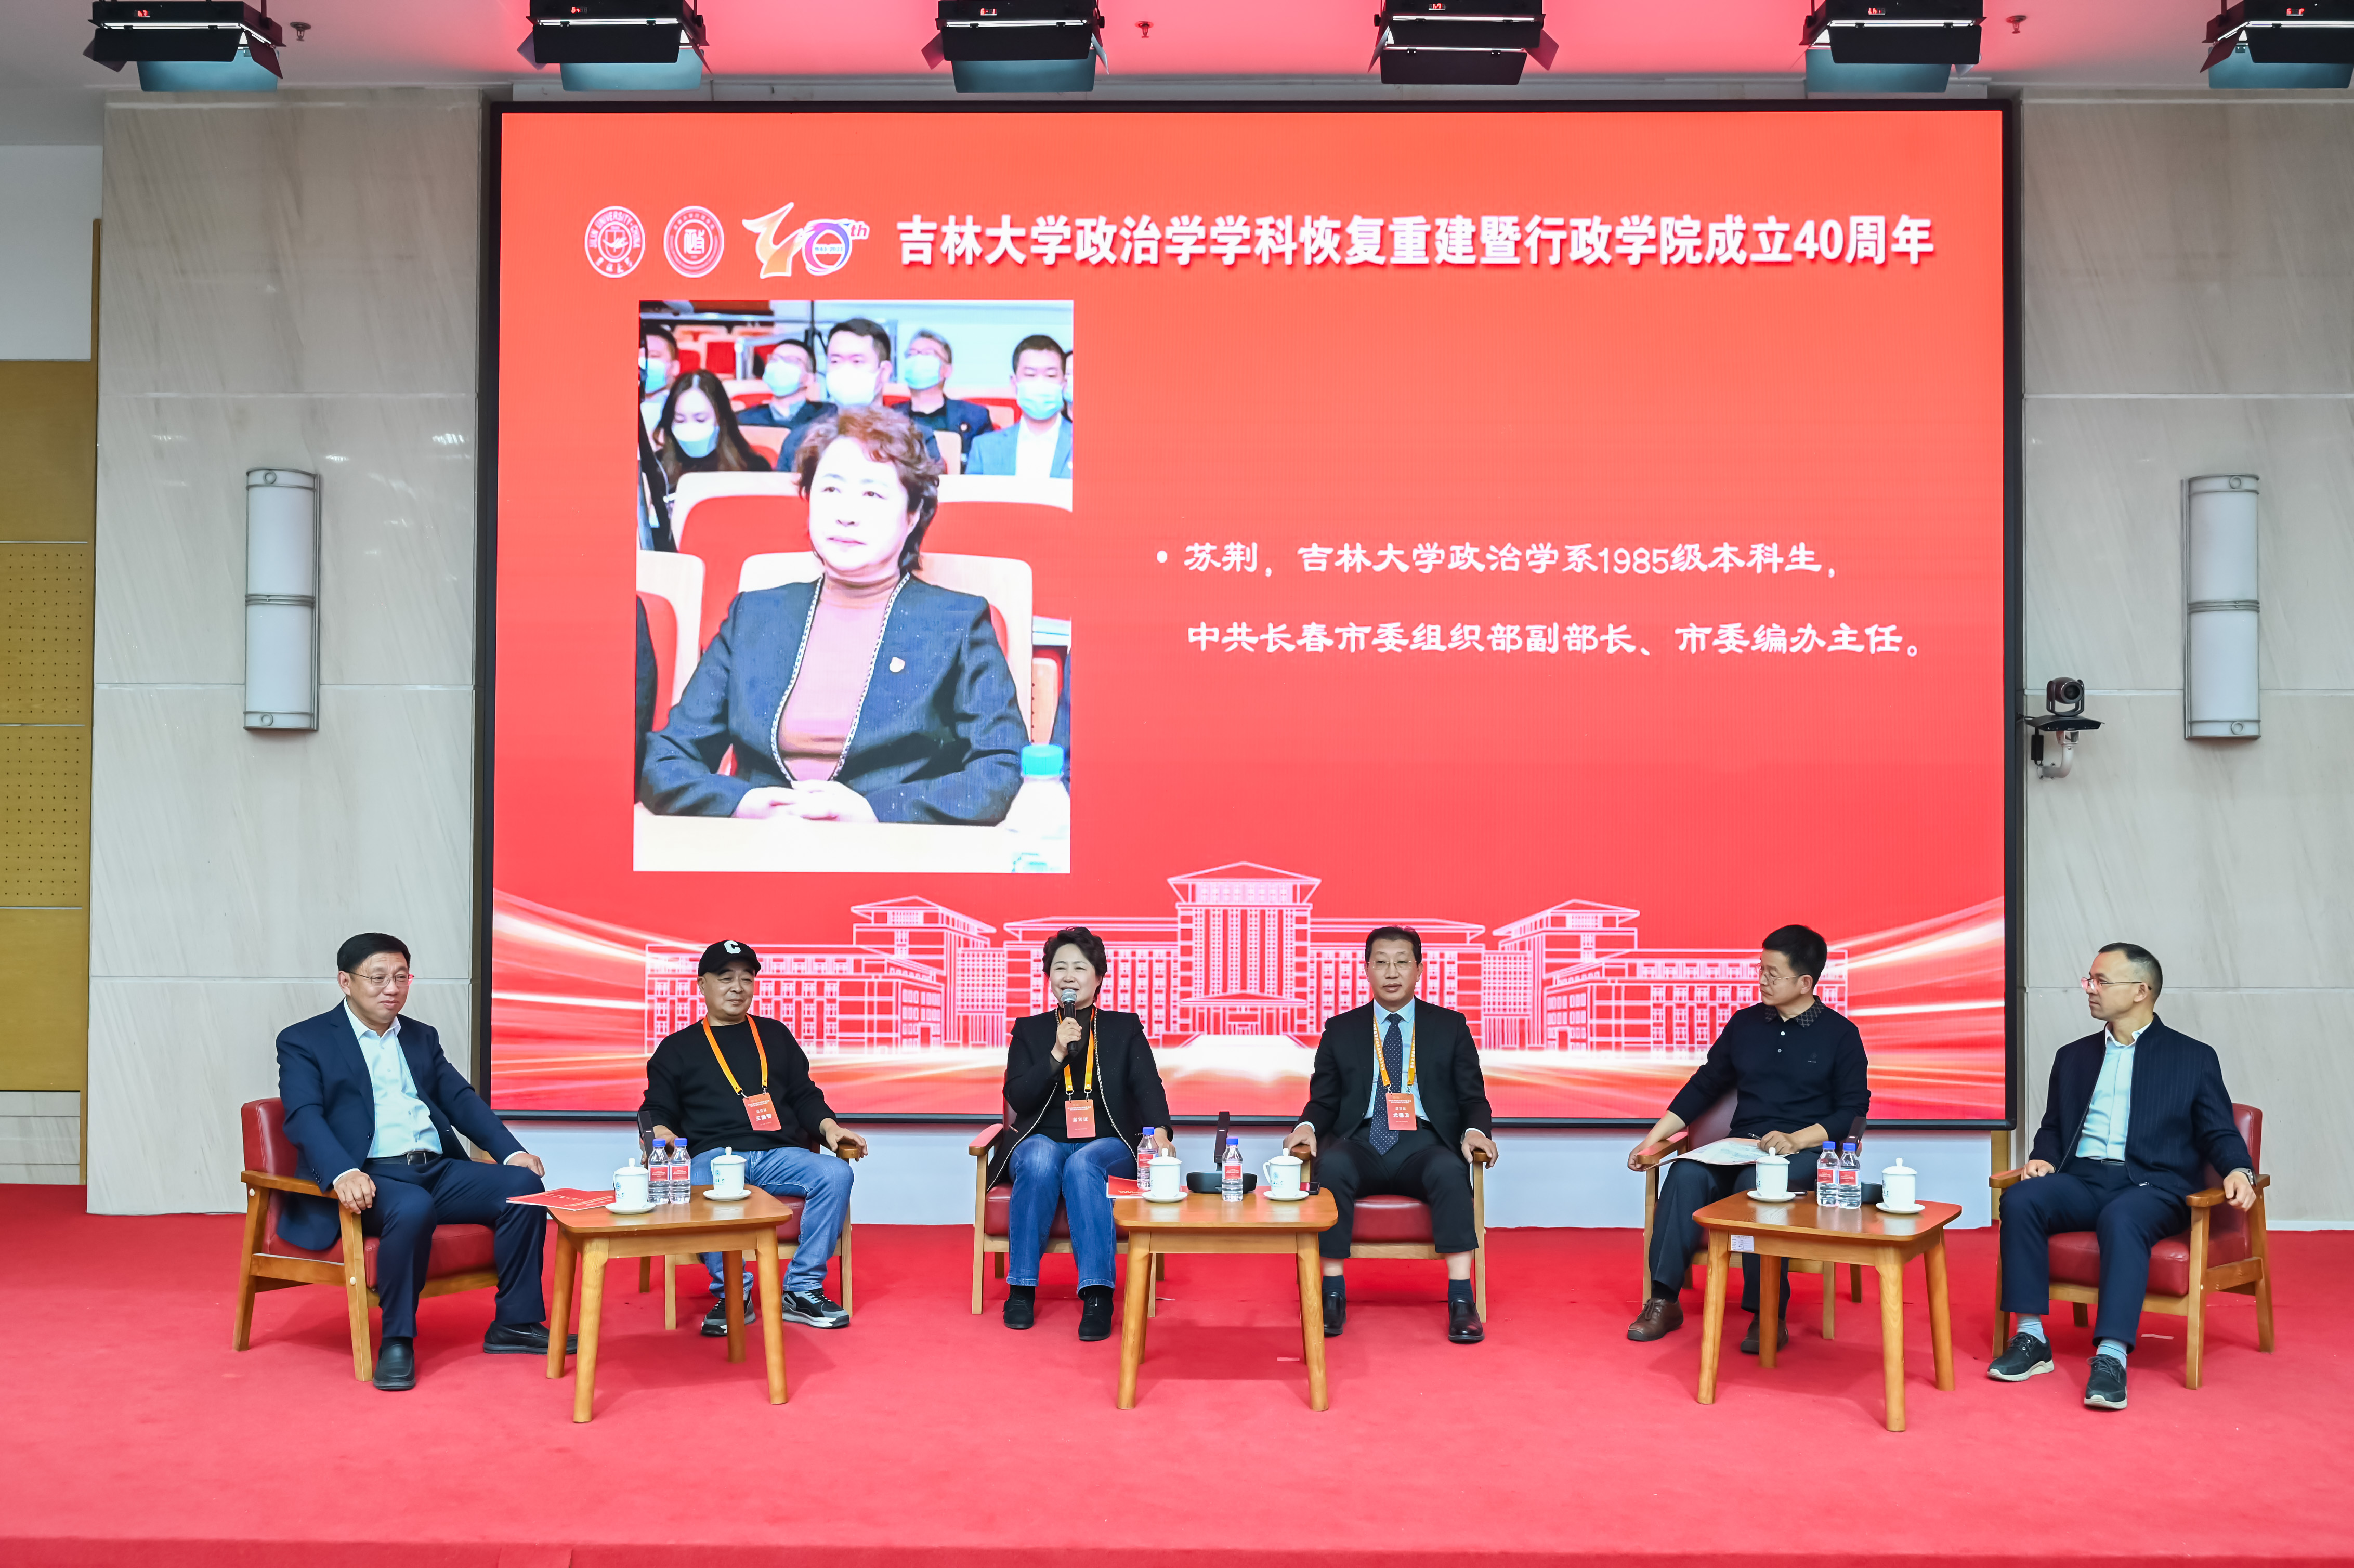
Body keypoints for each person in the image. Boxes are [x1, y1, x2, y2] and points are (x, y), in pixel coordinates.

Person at [639, 403, 1027, 824]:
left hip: (898, 847)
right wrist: (743, 804)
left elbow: (1001, 770)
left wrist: (874, 812)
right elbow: (666, 761)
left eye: (873, 495)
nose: (846, 514)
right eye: (830, 490)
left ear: (913, 514)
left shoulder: (956, 621)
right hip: (760, 845)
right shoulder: (756, 614)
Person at [273, 934, 564, 1392]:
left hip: (434, 1168)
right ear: (346, 982)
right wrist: (342, 1172)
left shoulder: (420, 1036)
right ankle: (397, 1340)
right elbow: (303, 1116)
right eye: (378, 978)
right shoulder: (304, 1040)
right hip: (369, 1173)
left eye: (401, 977)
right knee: (412, 1207)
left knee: (522, 1189)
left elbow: (460, 1099)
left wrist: (512, 1152)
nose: (392, 988)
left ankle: (516, 1323)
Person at [1990, 942, 2256, 1412]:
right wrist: (2042, 1158)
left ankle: (2111, 1357)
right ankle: (2031, 1338)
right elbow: (2053, 1127)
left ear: (2141, 990)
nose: (2090, 989)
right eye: (2089, 980)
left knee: (2123, 1217)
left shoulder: (2192, 1057)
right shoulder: (2073, 1056)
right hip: (2084, 1179)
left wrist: (2239, 1169)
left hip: (2154, 1185)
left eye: (2101, 981)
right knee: (2021, 1200)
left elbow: (2218, 1129)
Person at [1625, 924, 1869, 1353]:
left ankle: (1767, 1312)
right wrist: (1652, 1140)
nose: (1762, 980)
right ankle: (1663, 1300)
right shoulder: (1745, 1024)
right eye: (1760, 969)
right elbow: (1704, 1086)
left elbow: (1852, 1111)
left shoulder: (1841, 1035)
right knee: (1684, 1174)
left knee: (1758, 1185)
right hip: (1742, 1145)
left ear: (1805, 982)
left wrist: (1797, 1140)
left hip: (1802, 1153)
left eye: (1773, 973)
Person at [1283, 927, 1499, 1344]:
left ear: (1419, 969)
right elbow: (1324, 1101)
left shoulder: (1450, 1026)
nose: (1392, 972)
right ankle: (1331, 1293)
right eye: (1381, 963)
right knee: (1332, 1166)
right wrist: (1305, 1127)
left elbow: (1473, 1098)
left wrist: (1475, 1132)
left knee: (1450, 1171)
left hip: (1424, 1141)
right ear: (1366, 970)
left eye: (1402, 962)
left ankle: (1461, 1300)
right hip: (1361, 1140)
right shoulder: (1341, 1029)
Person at [642, 940, 868, 1333]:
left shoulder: (775, 1035)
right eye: (725, 978)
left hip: (778, 1153)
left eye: (746, 979)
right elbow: (656, 1108)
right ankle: (733, 1292)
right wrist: (660, 1132)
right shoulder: (677, 1048)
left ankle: (802, 1289)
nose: (738, 987)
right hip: (713, 1158)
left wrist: (830, 1127)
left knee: (836, 1173)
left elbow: (804, 1095)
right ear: (702, 985)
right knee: (695, 1179)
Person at [988, 927, 1175, 1340]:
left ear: (1099, 976)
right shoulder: (1031, 1031)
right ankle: (1021, 1289)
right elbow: (1018, 1095)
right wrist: (1056, 1053)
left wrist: (1161, 1130)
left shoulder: (1124, 1028)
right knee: (1040, 1159)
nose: (1068, 976)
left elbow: (1148, 1085)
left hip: (1106, 1144)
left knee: (1083, 1163)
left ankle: (1097, 1294)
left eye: (1079, 967)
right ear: (1049, 977)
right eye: (1060, 968)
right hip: (1042, 1139)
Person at [966, 334, 1072, 479]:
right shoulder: (985, 448)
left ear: (1064, 384)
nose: (1040, 384)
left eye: (1051, 376)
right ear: (1014, 384)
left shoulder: (1088, 445)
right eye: (1030, 375)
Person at [895, 330, 996, 473]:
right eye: (912, 354)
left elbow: (986, 469)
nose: (918, 359)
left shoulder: (976, 417)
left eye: (928, 354)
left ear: (947, 370)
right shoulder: (889, 416)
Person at [653, 369, 770, 491]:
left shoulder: (754, 468)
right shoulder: (656, 468)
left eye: (701, 420)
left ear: (721, 419)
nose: (690, 428)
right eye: (680, 420)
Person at [736, 335, 820, 442]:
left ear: (810, 378)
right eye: (775, 360)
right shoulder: (743, 420)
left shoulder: (827, 418)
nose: (780, 365)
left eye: (792, 361)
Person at [640, 321, 682, 429]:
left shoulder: (684, 408)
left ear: (674, 367)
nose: (642, 362)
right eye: (637, 356)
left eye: (654, 356)